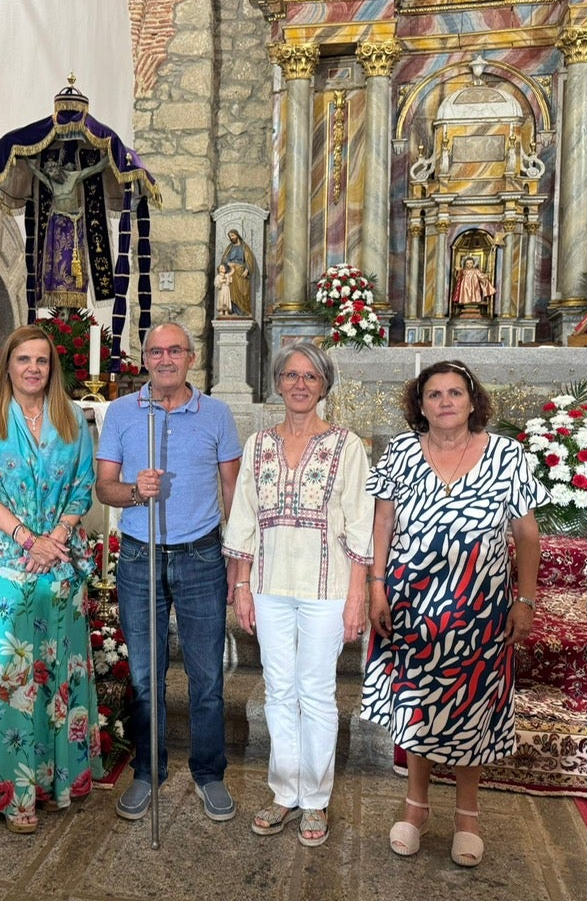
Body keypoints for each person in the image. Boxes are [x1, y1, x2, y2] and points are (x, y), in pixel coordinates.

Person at [364, 359, 546, 867]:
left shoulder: (507, 455)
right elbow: (383, 522)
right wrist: (376, 587)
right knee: (419, 704)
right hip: (411, 603)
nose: (445, 402)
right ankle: (416, 807)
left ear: (472, 400)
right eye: (434, 394)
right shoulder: (401, 451)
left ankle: (468, 816)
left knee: (473, 707)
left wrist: (525, 599)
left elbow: (526, 535)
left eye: (455, 393)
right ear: (420, 405)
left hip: (480, 606)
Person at [0, 324, 102, 832]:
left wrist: (54, 537)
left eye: (42, 360)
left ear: (51, 368)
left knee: (56, 674)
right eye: (24, 360)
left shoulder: (72, 420)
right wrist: (26, 538)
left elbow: (84, 487)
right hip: (4, 562)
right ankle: (11, 794)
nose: (33, 368)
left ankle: (56, 784)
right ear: (8, 366)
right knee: (7, 678)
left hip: (58, 562)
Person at [224, 342, 373, 848]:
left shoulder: (347, 446)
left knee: (316, 692)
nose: (300, 384)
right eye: (291, 375)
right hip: (268, 586)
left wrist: (357, 599)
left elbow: (361, 528)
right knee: (278, 691)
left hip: (327, 588)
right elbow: (243, 520)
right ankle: (284, 793)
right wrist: (242, 586)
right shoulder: (259, 444)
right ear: (278, 383)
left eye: (310, 376)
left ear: (324, 384)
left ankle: (315, 799)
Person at [95, 322, 242, 823]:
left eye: (174, 350)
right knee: (144, 675)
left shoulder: (217, 415)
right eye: (156, 351)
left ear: (191, 358)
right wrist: (136, 490)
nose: (165, 359)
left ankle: (209, 773)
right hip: (140, 555)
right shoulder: (121, 412)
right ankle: (147, 771)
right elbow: (104, 489)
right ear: (145, 360)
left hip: (201, 556)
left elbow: (234, 493)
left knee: (206, 677)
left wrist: (238, 560)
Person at [27, 151, 111, 308]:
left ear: (58, 169)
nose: (51, 174)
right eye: (48, 172)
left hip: (73, 223)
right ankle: (58, 292)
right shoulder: (51, 183)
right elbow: (36, 173)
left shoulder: (73, 177)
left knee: (74, 264)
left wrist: (108, 157)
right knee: (59, 262)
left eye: (52, 170)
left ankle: (74, 294)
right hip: (58, 224)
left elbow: (95, 169)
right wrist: (26, 160)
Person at [223, 229, 255, 318]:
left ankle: (245, 311)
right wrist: (228, 263)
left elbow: (249, 260)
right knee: (231, 293)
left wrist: (247, 270)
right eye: (230, 236)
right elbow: (224, 259)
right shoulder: (230, 248)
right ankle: (234, 311)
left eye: (232, 235)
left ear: (237, 235)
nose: (231, 238)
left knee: (243, 292)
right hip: (232, 272)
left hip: (241, 272)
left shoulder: (244, 247)